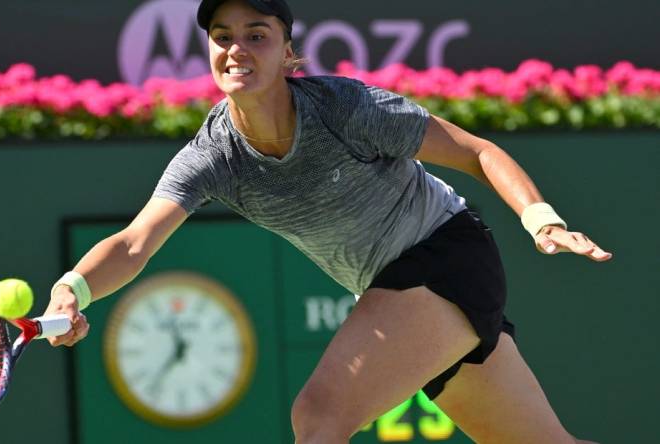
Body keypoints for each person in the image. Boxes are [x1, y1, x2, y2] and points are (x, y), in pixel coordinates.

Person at [44, 0, 611, 442]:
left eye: (255, 35)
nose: (236, 49)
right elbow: (136, 241)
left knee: (319, 417)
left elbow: (475, 152)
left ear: (287, 49)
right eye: (222, 37)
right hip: (410, 288)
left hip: (445, 256)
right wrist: (73, 288)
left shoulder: (345, 107)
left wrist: (541, 219)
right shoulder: (212, 156)